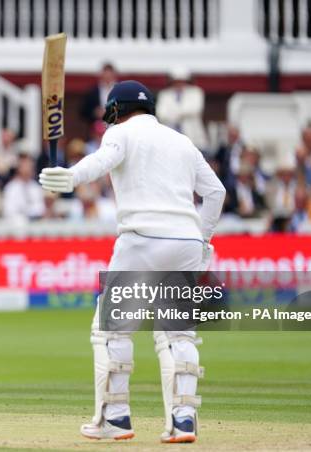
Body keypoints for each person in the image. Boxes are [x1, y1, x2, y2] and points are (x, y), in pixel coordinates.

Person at [39, 81, 226, 444]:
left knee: (111, 331)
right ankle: (184, 420)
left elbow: (100, 162)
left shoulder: (120, 133)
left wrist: (70, 177)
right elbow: (215, 192)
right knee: (178, 334)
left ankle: (116, 417)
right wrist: (202, 239)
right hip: (185, 241)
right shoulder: (181, 141)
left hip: (141, 239)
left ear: (115, 110)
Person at [156, 67, 208, 150]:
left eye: (182, 81)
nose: (179, 84)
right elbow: (161, 114)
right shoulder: (164, 94)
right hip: (171, 137)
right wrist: (182, 114)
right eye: (176, 81)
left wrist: (172, 113)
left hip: (193, 137)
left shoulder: (196, 92)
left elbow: (195, 109)